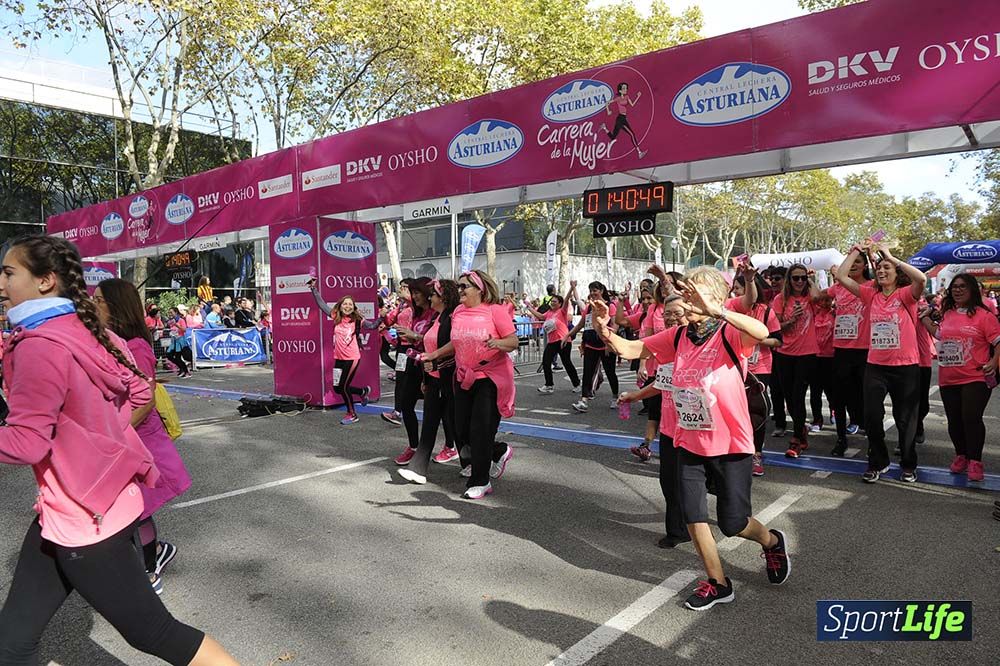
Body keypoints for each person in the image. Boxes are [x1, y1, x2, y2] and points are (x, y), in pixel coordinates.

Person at [0, 236, 237, 665]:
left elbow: (25, 443)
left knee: (156, 633)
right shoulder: (85, 330)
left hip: (88, 522)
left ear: (45, 281)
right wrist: (104, 438)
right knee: (12, 643)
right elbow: (136, 389)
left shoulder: (39, 345)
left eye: (9, 272)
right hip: (76, 510)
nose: (1, 283)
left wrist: (100, 441)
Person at [591, 267, 791, 610]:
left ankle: (771, 542)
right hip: (688, 440)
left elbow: (759, 331)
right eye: (686, 292)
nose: (688, 298)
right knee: (693, 514)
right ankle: (718, 582)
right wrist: (604, 328)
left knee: (733, 523)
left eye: (695, 291)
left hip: (729, 443)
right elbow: (632, 349)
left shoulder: (729, 332)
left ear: (715, 296)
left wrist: (721, 311)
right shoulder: (679, 336)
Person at [95, 279, 192, 594]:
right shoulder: (108, 341)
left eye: (98, 300)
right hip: (120, 438)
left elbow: (145, 399)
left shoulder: (136, 346)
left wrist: (116, 433)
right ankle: (152, 554)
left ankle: (150, 568)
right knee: (131, 510)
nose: (91, 305)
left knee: (138, 509)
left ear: (115, 306)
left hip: (140, 440)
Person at [836, 240, 927, 483]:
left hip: (905, 367)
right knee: (872, 417)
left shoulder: (906, 295)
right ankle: (878, 461)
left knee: (905, 420)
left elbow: (921, 280)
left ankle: (908, 464)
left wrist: (890, 256)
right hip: (875, 366)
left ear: (897, 274)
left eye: (888, 269)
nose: (882, 271)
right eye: (880, 268)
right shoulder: (870, 294)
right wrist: (855, 249)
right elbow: (842, 275)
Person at [421, 270, 517, 499]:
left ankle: (481, 481)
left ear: (479, 289)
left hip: (489, 377)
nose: (460, 290)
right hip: (463, 376)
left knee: (480, 430)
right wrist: (434, 354)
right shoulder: (458, 312)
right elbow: (456, 343)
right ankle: (499, 450)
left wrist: (498, 343)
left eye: (464, 286)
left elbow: (513, 341)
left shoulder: (495, 310)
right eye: (459, 286)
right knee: (460, 428)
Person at [919, 273, 1000, 482]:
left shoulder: (985, 316)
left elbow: (998, 342)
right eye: (955, 286)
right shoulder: (948, 313)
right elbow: (939, 335)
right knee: (954, 420)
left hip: (976, 376)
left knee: (971, 417)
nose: (958, 290)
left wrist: (993, 362)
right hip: (949, 376)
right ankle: (961, 456)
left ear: (973, 289)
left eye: (963, 286)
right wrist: (925, 318)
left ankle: (975, 461)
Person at [399, 279, 461, 483]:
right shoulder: (437, 318)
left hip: (449, 381)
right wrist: (427, 375)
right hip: (433, 380)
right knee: (430, 424)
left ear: (442, 297)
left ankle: (493, 453)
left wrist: (433, 358)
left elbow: (455, 345)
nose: (429, 297)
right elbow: (428, 346)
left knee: (459, 426)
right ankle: (418, 469)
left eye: (432, 294)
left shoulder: (451, 318)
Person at [729, 265, 782, 476]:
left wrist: (758, 339)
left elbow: (778, 340)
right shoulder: (731, 310)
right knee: (734, 412)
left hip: (759, 368)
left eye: (738, 290)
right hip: (732, 367)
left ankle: (756, 453)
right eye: (733, 291)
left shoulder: (766, 311)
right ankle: (736, 451)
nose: (735, 294)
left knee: (755, 412)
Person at [771, 264, 821, 457]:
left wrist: (810, 280)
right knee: (789, 397)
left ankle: (797, 439)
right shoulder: (780, 299)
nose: (799, 282)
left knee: (798, 395)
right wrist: (790, 320)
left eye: (802, 278)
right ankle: (801, 430)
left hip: (807, 354)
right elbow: (775, 328)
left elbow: (818, 297)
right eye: (795, 278)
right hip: (785, 353)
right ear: (789, 280)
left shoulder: (810, 297)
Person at [308, 280, 372, 425]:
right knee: (338, 388)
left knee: (343, 386)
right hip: (339, 358)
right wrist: (313, 289)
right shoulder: (336, 317)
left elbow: (373, 325)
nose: (347, 306)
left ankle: (352, 414)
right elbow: (321, 305)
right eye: (345, 304)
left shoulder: (358, 320)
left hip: (352, 358)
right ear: (340, 306)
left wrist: (384, 317)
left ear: (353, 307)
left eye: (350, 304)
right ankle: (362, 392)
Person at [827, 254, 870, 456]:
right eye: (850, 263)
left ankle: (872, 436)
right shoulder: (838, 288)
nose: (853, 266)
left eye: (858, 263)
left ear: (865, 266)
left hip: (866, 350)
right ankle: (841, 438)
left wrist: (870, 252)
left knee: (867, 397)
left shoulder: (872, 285)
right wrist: (808, 279)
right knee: (839, 397)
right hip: (842, 350)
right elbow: (818, 296)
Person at [390, 277, 434, 463]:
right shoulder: (415, 313)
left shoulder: (436, 313)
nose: (414, 296)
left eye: (416, 292)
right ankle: (414, 446)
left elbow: (436, 340)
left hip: (433, 367)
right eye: (412, 292)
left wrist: (415, 335)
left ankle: (451, 446)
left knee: (440, 412)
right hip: (413, 362)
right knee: (406, 404)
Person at [565, 281, 619, 413]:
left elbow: (615, 325)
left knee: (610, 372)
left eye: (595, 290)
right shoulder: (589, 308)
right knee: (587, 373)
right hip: (590, 345)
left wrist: (608, 343)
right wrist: (567, 336)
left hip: (605, 345)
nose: (593, 293)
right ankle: (583, 400)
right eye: (591, 290)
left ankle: (615, 397)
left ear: (601, 290)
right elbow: (580, 325)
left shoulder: (610, 306)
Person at [524, 285, 580, 394]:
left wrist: (571, 288)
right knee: (546, 361)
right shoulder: (549, 313)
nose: (553, 303)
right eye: (552, 301)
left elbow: (567, 299)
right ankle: (549, 385)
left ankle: (577, 384)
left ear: (560, 303)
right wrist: (530, 308)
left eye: (555, 301)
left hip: (563, 340)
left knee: (567, 362)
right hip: (552, 341)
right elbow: (540, 316)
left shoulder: (562, 311)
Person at [810, 290, 836, 433]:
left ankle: (834, 410)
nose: (825, 303)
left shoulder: (834, 314)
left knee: (831, 390)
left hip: (831, 357)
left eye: (828, 300)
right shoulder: (814, 314)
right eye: (822, 300)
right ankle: (817, 419)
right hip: (815, 357)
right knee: (815, 392)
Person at [601, 82, 646, 158]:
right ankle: (639, 152)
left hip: (623, 118)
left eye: (626, 88)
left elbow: (632, 105)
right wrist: (608, 111)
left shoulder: (627, 97)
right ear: (620, 91)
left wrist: (638, 96)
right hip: (620, 119)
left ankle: (604, 127)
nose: (626, 90)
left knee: (613, 137)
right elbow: (607, 103)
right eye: (624, 88)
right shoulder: (618, 98)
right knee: (632, 134)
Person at [166, 305, 194, 378]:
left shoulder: (181, 320)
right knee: (169, 355)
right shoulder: (171, 321)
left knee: (178, 356)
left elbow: (184, 330)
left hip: (180, 341)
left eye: (171, 312)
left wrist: (177, 326)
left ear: (176, 312)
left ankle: (186, 371)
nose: (170, 314)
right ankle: (182, 369)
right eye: (169, 313)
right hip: (174, 341)